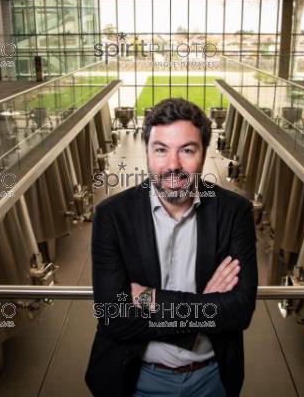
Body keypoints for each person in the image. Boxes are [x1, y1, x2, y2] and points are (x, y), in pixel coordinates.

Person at [85, 98, 258, 397]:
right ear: (148, 153)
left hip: (211, 379)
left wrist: (150, 299)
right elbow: (114, 317)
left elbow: (239, 312)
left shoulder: (235, 212)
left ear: (204, 154)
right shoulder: (112, 216)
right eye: (161, 150)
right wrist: (205, 304)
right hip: (135, 379)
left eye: (187, 150)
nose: (173, 165)